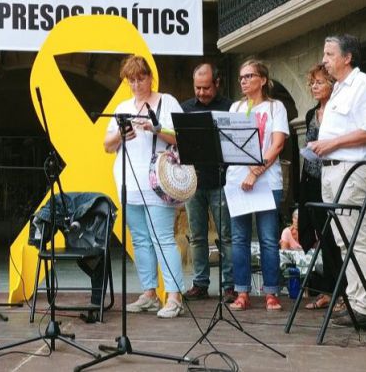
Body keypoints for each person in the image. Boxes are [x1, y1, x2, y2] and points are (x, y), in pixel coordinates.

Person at [307, 34, 366, 326]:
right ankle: (355, 301)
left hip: (351, 169)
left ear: (347, 57)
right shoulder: (338, 89)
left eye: (329, 54)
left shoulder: (363, 85)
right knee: (342, 239)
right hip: (330, 169)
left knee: (356, 237)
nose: (324, 60)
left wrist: (332, 144)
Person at [103, 55, 185, 318]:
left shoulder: (167, 101)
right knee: (140, 240)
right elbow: (107, 145)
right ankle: (150, 293)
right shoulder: (123, 107)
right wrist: (120, 134)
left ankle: (173, 296)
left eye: (141, 78)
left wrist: (155, 129)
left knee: (162, 238)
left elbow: (182, 137)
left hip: (158, 181)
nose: (137, 84)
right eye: (132, 80)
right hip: (128, 180)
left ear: (151, 77)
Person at [226, 60, 288, 311]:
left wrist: (256, 172)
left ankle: (271, 292)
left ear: (263, 80)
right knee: (239, 238)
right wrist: (245, 174)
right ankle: (242, 292)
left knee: (269, 239)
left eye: (249, 76)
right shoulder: (235, 107)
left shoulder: (276, 108)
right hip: (237, 180)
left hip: (266, 181)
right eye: (241, 77)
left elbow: (277, 145)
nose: (243, 81)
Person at [179, 63, 235, 302]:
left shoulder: (229, 107)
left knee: (226, 235)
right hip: (194, 182)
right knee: (197, 235)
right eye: (197, 88)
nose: (201, 92)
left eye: (206, 88)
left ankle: (230, 285)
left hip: (222, 181)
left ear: (217, 83)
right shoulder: (185, 108)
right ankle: (200, 283)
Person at [299, 63, 344, 311]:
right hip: (312, 179)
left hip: (333, 178)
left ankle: (343, 293)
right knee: (321, 237)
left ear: (332, 83)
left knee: (336, 237)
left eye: (319, 82)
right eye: (312, 83)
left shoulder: (338, 112)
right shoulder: (310, 114)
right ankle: (328, 290)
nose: (315, 87)